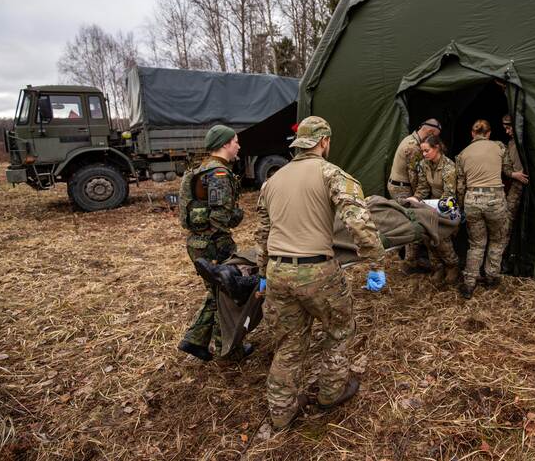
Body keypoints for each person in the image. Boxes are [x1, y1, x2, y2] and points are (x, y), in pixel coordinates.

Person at [255, 116, 386, 430]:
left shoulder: (272, 181)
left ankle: (281, 413)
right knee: (339, 332)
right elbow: (359, 223)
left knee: (288, 344)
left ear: (300, 142)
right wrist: (376, 263)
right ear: (324, 141)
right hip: (318, 272)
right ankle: (330, 393)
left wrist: (262, 273)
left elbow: (262, 233)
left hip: (278, 272)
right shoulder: (332, 174)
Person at [178, 124, 250, 362]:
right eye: (235, 141)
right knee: (227, 292)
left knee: (216, 291)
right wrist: (238, 216)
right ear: (224, 144)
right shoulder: (218, 174)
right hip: (214, 242)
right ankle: (226, 349)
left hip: (199, 241)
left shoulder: (201, 169)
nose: (239, 145)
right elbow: (220, 217)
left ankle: (195, 340)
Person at [455, 119, 527, 299]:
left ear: (472, 133)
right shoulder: (499, 147)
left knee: (476, 243)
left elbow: (461, 186)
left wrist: (462, 204)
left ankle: (469, 283)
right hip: (495, 200)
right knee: (497, 239)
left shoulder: (462, 154)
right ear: (488, 134)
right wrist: (514, 174)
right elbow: (508, 170)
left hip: (472, 200)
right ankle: (492, 278)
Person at [387, 118, 442, 271]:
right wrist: (421, 196)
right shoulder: (414, 147)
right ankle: (410, 262)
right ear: (430, 132)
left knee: (404, 220)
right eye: (434, 136)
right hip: (403, 188)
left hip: (398, 185)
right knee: (414, 221)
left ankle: (404, 257)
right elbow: (414, 176)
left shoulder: (411, 139)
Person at [407, 134, 459, 286]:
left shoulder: (449, 167)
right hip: (431, 204)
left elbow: (449, 195)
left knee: (442, 239)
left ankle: (452, 267)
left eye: (427, 151)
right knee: (427, 236)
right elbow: (423, 187)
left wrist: (433, 208)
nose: (424, 154)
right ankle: (437, 267)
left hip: (447, 206)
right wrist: (416, 199)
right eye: (422, 151)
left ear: (437, 148)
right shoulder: (424, 164)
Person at [502, 114, 529, 240]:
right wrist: (514, 175)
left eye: (509, 128)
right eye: (505, 129)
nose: (507, 132)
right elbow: (506, 167)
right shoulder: (511, 144)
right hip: (516, 185)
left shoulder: (528, 141)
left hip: (530, 186)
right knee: (508, 218)